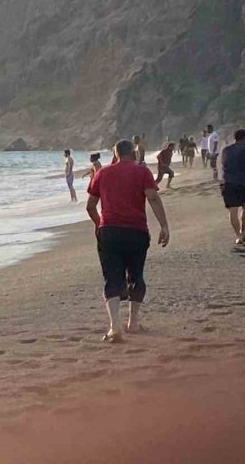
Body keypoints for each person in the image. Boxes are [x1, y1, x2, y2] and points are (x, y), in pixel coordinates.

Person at [86, 139, 170, 344]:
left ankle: (115, 327)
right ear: (133, 153)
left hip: (110, 231)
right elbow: (152, 197)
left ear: (115, 154)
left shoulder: (102, 173)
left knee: (111, 277)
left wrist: (99, 224)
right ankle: (133, 322)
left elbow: (90, 206)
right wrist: (164, 226)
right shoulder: (142, 172)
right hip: (136, 231)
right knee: (136, 274)